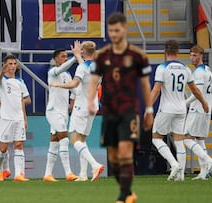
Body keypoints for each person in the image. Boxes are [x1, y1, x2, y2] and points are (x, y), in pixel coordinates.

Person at [89, 12, 153, 203]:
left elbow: (144, 84)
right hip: (109, 111)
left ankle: (123, 196)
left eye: (117, 30)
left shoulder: (138, 56)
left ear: (125, 29)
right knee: (114, 157)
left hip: (129, 110)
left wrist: (149, 110)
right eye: (111, 30)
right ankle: (128, 192)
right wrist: (90, 101)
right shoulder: (101, 56)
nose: (114, 34)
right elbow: (93, 81)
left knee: (126, 151)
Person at [150, 40, 210, 182]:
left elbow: (157, 89)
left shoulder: (162, 68)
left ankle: (174, 164)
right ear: (177, 52)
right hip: (181, 109)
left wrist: (148, 107)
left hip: (166, 108)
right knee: (179, 141)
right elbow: (194, 90)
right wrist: (204, 102)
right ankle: (181, 175)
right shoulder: (186, 69)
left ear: (165, 51)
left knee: (156, 138)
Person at [51, 41, 103, 181]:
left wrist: (58, 84)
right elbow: (85, 66)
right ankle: (83, 174)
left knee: (74, 140)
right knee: (82, 139)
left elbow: (74, 83)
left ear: (83, 52)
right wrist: (78, 55)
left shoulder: (81, 67)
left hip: (81, 106)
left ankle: (95, 165)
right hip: (93, 106)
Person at [43, 47, 78, 182]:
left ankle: (47, 174)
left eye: (67, 56)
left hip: (63, 113)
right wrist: (75, 57)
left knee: (55, 142)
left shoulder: (68, 75)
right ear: (56, 59)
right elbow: (60, 69)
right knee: (64, 138)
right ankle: (68, 173)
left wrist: (72, 103)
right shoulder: (53, 72)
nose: (65, 58)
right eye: (63, 56)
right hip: (53, 111)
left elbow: (74, 90)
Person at [184, 45, 212, 180]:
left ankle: (209, 160)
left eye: (195, 55)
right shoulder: (208, 70)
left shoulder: (198, 72)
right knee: (199, 139)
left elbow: (197, 93)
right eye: (191, 55)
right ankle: (204, 173)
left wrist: (184, 104)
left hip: (198, 108)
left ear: (201, 56)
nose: (192, 58)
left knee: (186, 138)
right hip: (206, 108)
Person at [0, 55, 29, 182]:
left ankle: (19, 174)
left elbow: (23, 100)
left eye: (14, 63)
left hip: (18, 118)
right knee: (3, 148)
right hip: (6, 118)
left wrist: (24, 118)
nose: (13, 66)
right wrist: (1, 72)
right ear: (5, 65)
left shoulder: (20, 82)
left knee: (19, 145)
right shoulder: (1, 80)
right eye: (10, 63)